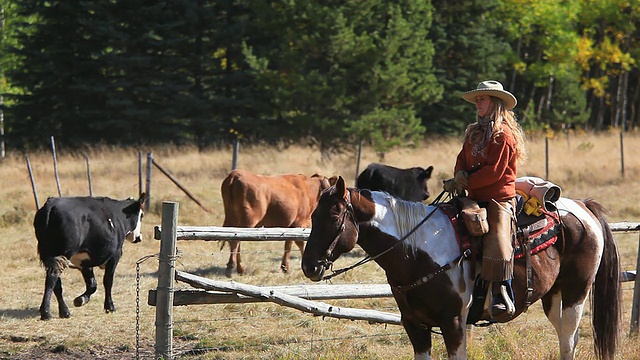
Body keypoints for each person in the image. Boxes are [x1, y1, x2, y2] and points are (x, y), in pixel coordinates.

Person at [443, 80, 527, 317]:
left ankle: (501, 290)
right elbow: (462, 158)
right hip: (473, 196)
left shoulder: (504, 136)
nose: (478, 103)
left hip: (499, 199)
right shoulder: (473, 132)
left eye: (483, 99)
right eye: (477, 99)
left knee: (497, 236)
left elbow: (494, 173)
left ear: (495, 103)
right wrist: (459, 172)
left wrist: (464, 181)